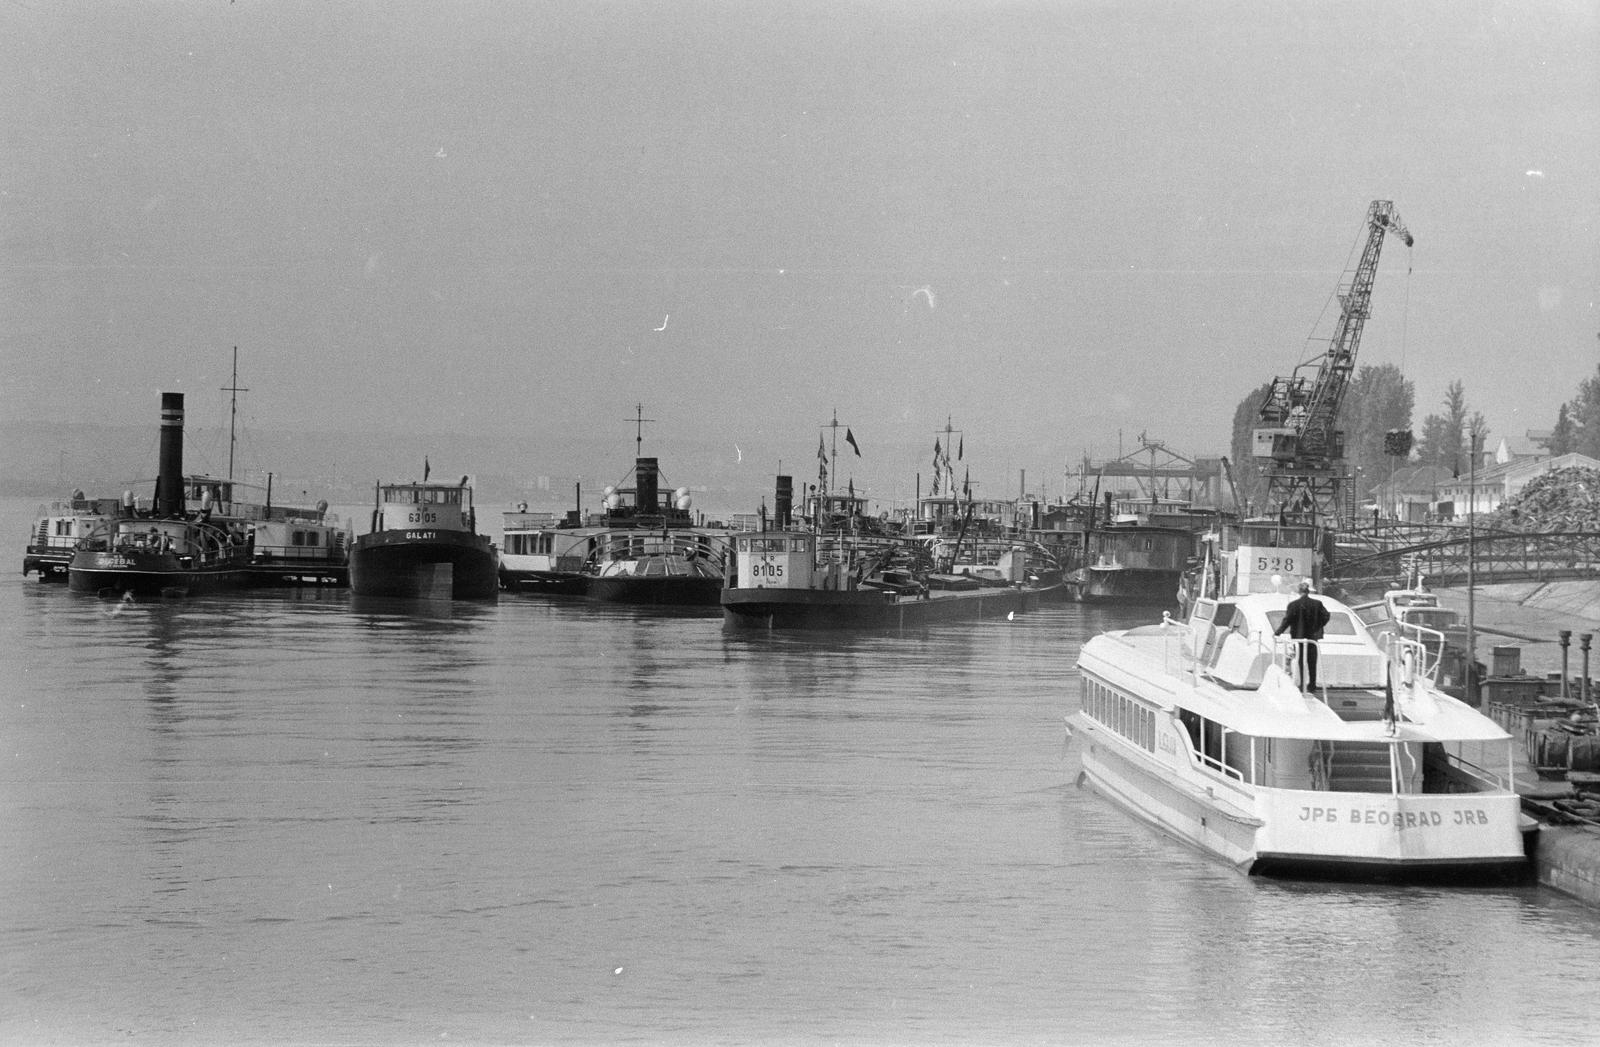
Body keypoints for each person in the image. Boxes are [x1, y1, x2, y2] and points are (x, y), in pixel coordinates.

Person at [1275, 578, 1331, 692]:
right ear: (1308, 591)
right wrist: (1318, 625)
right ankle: (1312, 684)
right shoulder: (1317, 604)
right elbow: (1326, 616)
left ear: (1299, 592)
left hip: (1299, 637)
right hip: (1313, 637)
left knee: (1301, 661)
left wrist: (1278, 632)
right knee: (1312, 662)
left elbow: (1287, 620)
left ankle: (1302, 684)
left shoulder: (1293, 605)